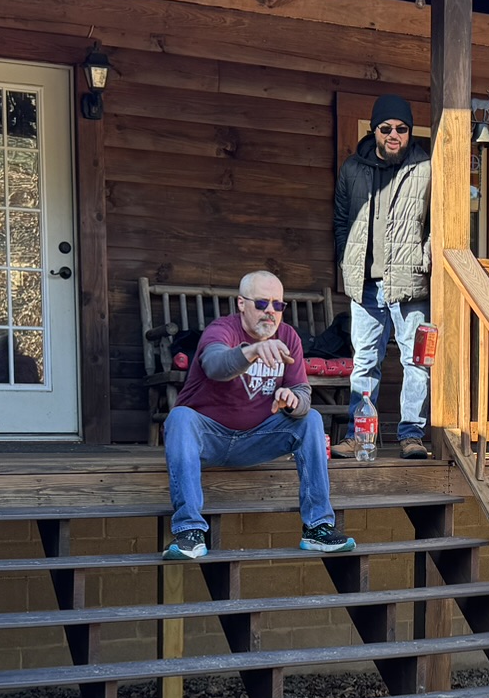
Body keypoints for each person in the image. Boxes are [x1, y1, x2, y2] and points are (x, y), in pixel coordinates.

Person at [162, 271, 354, 560]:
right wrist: (253, 351)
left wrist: (292, 401)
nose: (270, 311)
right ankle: (189, 531)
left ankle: (317, 528)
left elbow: (303, 393)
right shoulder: (221, 330)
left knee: (311, 419)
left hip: (258, 438)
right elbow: (215, 365)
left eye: (278, 305)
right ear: (241, 304)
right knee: (179, 418)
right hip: (208, 439)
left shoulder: (288, 336)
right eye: (262, 303)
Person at [332, 92, 433, 459]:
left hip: (410, 283)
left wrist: (424, 258)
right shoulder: (352, 169)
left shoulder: (426, 168)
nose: (394, 135)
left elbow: (439, 224)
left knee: (416, 363)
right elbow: (341, 221)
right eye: (386, 128)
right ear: (374, 130)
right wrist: (347, 260)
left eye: (402, 129)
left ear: (410, 132)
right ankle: (360, 437)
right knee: (364, 363)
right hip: (366, 285)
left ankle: (411, 436)